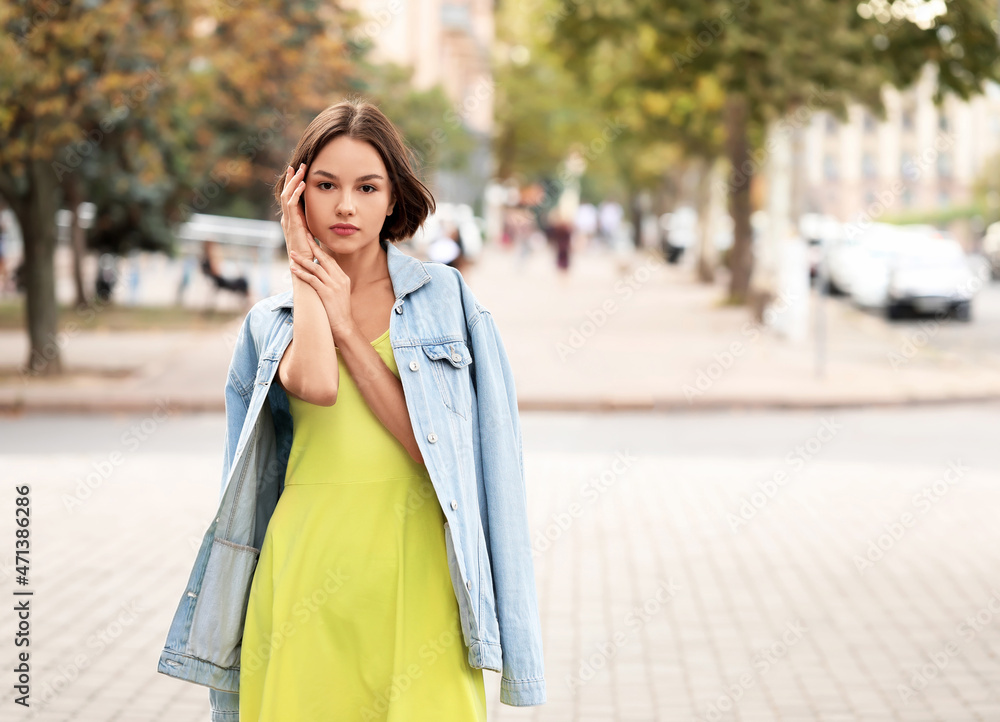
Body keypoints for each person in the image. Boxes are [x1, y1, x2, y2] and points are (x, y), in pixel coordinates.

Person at [155, 98, 547, 720]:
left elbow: (449, 455)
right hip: (303, 576)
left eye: (367, 187)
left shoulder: (446, 300)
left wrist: (346, 328)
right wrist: (305, 268)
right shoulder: (269, 324)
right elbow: (316, 384)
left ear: (393, 198)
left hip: (421, 576)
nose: (344, 205)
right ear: (297, 194)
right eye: (325, 185)